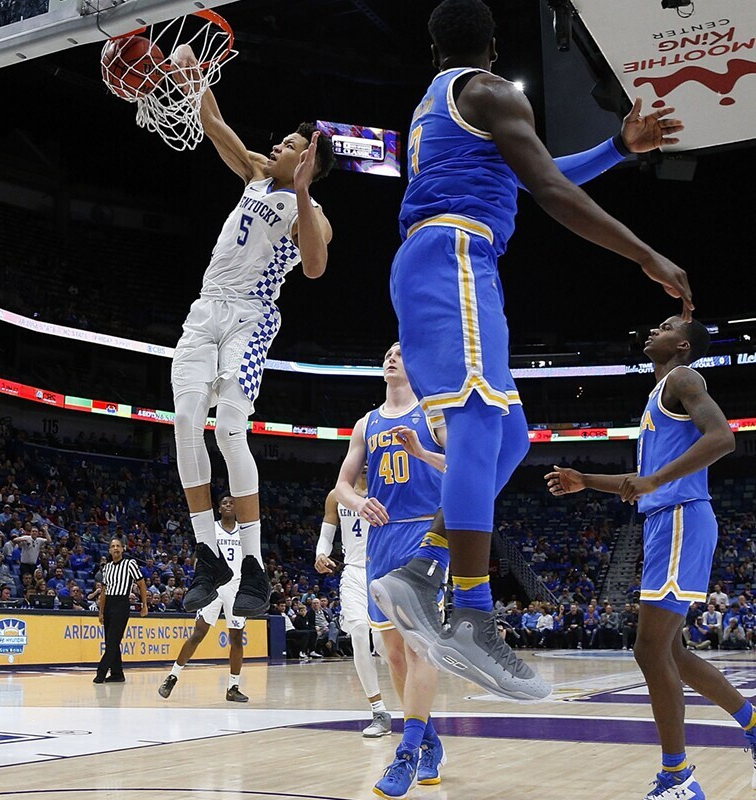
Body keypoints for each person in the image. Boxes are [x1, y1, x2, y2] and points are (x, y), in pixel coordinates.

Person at [369, 0, 692, 703]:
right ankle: (474, 619)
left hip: (443, 260)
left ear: (436, 51)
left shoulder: (439, 105)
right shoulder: (490, 92)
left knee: (508, 435)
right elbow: (545, 185)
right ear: (491, 48)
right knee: (482, 423)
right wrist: (646, 255)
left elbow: (530, 167)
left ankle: (424, 563)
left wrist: (617, 147)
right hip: (455, 255)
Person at [545, 316, 756, 799]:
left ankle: (678, 778)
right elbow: (642, 478)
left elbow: (722, 438)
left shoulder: (684, 378)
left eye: (663, 326)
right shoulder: (658, 394)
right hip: (665, 520)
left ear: (681, 345)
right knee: (671, 653)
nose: (650, 330)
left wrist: (656, 482)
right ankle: (752, 723)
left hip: (681, 516)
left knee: (649, 650)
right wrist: (587, 480)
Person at [167, 43, 336, 620]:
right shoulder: (257, 175)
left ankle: (255, 569)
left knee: (229, 431)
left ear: (307, 160)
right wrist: (192, 72)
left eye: (288, 145)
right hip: (206, 306)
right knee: (187, 421)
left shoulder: (311, 213)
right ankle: (207, 554)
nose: (276, 146)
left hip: (251, 317)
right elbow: (214, 125)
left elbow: (314, 268)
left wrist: (307, 189)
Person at [335, 342, 449, 796]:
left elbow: (462, 468)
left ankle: (405, 753)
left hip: (425, 537)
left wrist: (421, 452)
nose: (391, 356)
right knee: (394, 655)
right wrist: (360, 501)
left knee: (420, 649)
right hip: (381, 541)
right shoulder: (367, 422)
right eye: (387, 351)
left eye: (401, 352)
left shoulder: (434, 413)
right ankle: (429, 743)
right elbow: (341, 486)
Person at [317, 468, 392, 736]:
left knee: (385, 644)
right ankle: (379, 711)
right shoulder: (337, 496)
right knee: (359, 634)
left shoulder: (387, 491)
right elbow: (328, 531)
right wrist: (321, 553)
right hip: (352, 571)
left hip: (383, 571)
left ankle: (413, 699)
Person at [158, 496, 248, 703]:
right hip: (214, 585)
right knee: (198, 633)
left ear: (237, 508)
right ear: (219, 508)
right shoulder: (212, 530)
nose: (228, 505)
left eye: (232, 503)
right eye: (224, 503)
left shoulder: (244, 531)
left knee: (236, 639)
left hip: (235, 587)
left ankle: (233, 687)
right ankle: (172, 676)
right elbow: (201, 557)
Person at [95, 537, 147, 684]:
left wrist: (144, 605)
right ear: (110, 550)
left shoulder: (130, 564)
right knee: (111, 641)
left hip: (121, 603)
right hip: (109, 605)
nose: (116, 548)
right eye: (113, 546)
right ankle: (117, 674)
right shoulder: (107, 567)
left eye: (118, 546)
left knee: (112, 641)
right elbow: (104, 591)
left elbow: (142, 583)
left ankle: (101, 672)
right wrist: (101, 612)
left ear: (123, 549)